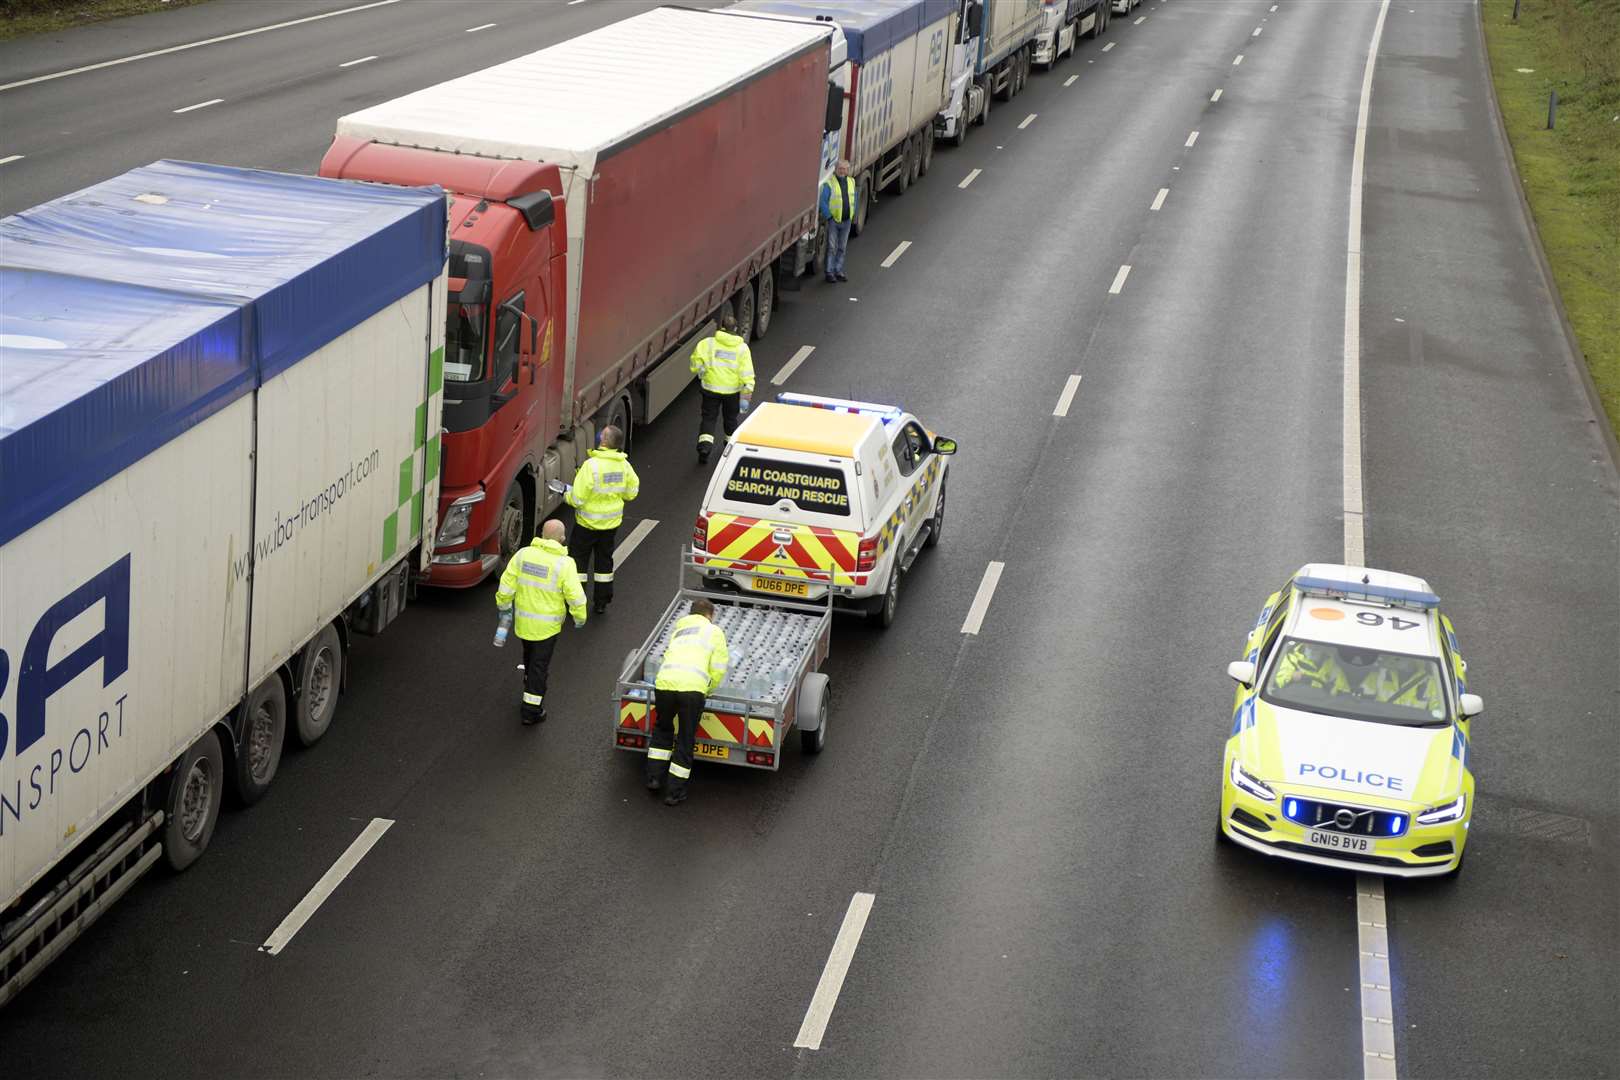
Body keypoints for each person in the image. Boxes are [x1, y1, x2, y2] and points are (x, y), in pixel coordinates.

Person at [495, 519, 586, 726]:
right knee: (539, 666)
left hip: (523, 623)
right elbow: (576, 597)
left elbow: (506, 584)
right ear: (562, 539)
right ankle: (531, 710)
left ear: (542, 535)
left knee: (530, 658)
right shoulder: (565, 564)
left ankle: (529, 684)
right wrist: (580, 618)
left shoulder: (523, 555)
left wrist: (504, 607)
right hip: (547, 628)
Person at [646, 598, 729, 806]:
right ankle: (674, 792)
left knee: (662, 729)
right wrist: (707, 689)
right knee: (685, 738)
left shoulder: (679, 630)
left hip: (665, 683)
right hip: (692, 689)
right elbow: (718, 668)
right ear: (709, 615)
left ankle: (654, 778)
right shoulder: (714, 631)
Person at [565, 424, 639, 614]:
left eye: (602, 434)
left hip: (586, 525)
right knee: (604, 564)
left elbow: (577, 498)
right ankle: (601, 602)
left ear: (604, 441)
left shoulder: (591, 466)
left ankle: (576, 601)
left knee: (578, 563)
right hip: (610, 526)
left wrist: (565, 494)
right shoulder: (624, 465)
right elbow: (631, 493)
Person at [690, 314, 755, 464]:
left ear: (722, 327)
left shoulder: (707, 344)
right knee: (730, 419)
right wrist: (746, 397)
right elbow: (747, 376)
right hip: (732, 393)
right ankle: (730, 447)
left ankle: (704, 448)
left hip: (710, 389)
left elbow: (695, 364)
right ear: (736, 329)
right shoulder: (742, 349)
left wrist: (702, 373)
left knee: (708, 418)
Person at [819, 159, 857, 283]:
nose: (842, 171)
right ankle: (829, 272)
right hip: (834, 221)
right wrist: (829, 217)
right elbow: (823, 202)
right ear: (836, 170)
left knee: (842, 247)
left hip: (846, 221)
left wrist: (852, 215)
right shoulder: (830, 184)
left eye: (845, 169)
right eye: (840, 169)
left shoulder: (851, 182)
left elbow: (854, 199)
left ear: (847, 171)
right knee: (831, 247)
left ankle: (838, 270)